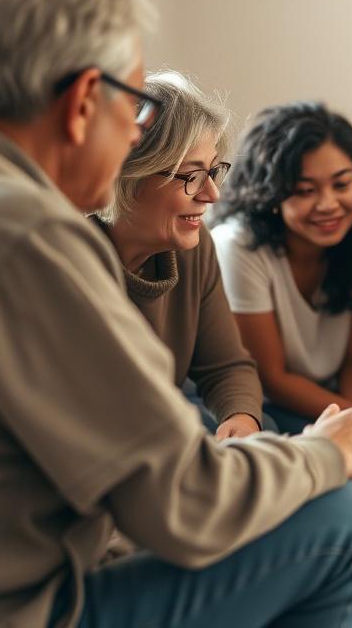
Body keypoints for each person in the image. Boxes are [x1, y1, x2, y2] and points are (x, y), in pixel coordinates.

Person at [0, 0, 352, 628]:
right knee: (343, 518)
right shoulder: (28, 235)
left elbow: (224, 370)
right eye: (129, 104)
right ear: (81, 102)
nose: (133, 135)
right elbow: (185, 505)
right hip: (18, 610)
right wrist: (327, 452)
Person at [95, 70, 263, 439]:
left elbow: (226, 366)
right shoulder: (70, 260)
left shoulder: (192, 243)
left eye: (214, 171)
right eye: (191, 176)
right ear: (127, 177)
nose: (212, 194)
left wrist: (241, 418)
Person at [212, 103, 352, 435]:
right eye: (305, 191)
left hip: (331, 405)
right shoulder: (239, 245)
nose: (328, 204)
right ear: (271, 193)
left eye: (342, 184)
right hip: (261, 408)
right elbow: (273, 378)